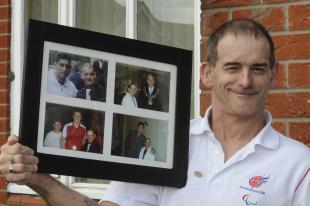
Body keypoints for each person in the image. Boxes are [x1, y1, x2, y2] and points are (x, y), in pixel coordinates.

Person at [1, 19, 310, 206]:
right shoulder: (168, 145)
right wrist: (37, 177)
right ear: (207, 73)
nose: (245, 81)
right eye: (232, 67)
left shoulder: (300, 166)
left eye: (257, 68)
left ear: (274, 75)